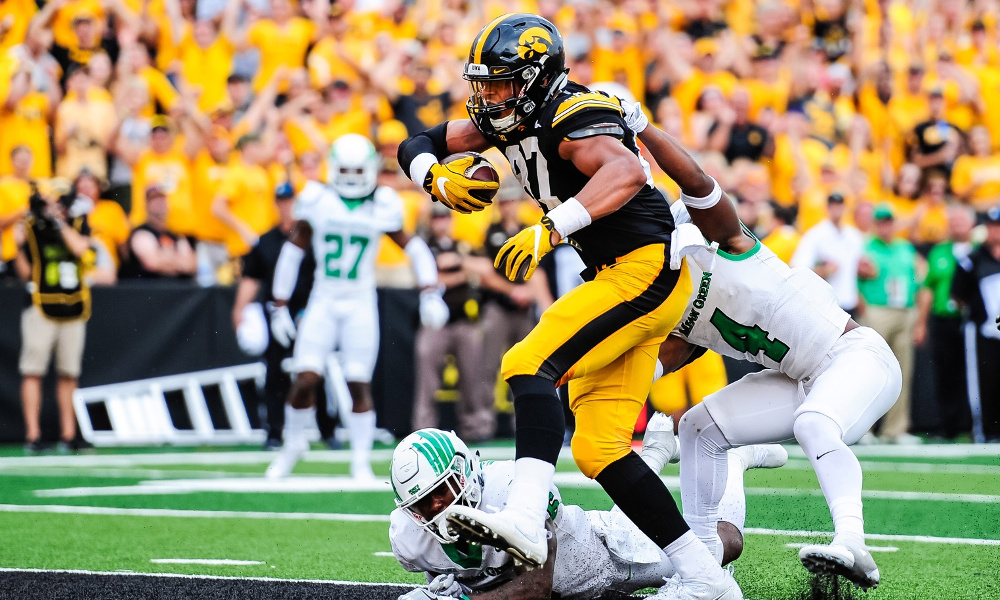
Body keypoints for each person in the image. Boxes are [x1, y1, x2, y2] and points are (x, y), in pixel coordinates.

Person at [397, 14, 740, 600]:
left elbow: (627, 171)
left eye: (501, 84)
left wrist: (550, 229)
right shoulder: (515, 115)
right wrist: (437, 180)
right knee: (598, 447)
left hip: (646, 266)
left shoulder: (573, 113)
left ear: (535, 79)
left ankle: (528, 518)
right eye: (484, 84)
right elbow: (419, 141)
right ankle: (707, 580)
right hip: (621, 272)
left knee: (528, 363)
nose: (487, 97)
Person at [622, 107, 900, 590]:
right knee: (698, 428)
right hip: (799, 377)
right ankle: (703, 556)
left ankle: (853, 541)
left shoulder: (730, 241)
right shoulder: (666, 295)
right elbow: (668, 356)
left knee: (813, 422)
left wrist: (643, 127)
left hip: (854, 356)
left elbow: (699, 182)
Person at [389, 418, 786, 600]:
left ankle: (734, 458)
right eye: (422, 504)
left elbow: (534, 588)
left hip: (608, 558)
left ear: (467, 471)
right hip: (573, 588)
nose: (436, 508)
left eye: (441, 492)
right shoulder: (408, 537)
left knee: (725, 544)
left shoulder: (513, 487)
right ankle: (658, 450)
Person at [265, 133, 446, 480]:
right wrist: (280, 304)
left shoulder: (383, 201)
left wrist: (429, 291)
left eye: (356, 170)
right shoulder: (317, 198)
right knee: (305, 377)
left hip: (360, 301)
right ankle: (292, 447)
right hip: (324, 298)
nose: (349, 177)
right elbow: (293, 251)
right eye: (344, 169)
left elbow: (414, 247)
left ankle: (359, 460)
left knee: (357, 381)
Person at [232, 181, 329, 449]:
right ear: (276, 204)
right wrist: (239, 308)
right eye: (282, 201)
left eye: (290, 200)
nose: (286, 206)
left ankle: (327, 429)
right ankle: (274, 431)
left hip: (310, 310)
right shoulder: (266, 241)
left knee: (314, 370)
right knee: (274, 373)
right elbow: (251, 276)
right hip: (277, 312)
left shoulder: (312, 237)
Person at [14, 178, 95, 453]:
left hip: (72, 304)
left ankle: (68, 434)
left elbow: (82, 249)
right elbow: (14, 244)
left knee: (69, 373)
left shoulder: (76, 223)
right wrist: (33, 212)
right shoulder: (31, 225)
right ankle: (33, 435)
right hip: (41, 304)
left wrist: (59, 222)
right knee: (33, 370)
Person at [412, 203, 494, 442]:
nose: (441, 223)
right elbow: (430, 280)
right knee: (428, 380)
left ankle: (476, 429)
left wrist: (459, 260)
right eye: (436, 219)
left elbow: (487, 268)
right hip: (434, 323)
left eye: (444, 218)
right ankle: (423, 430)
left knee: (472, 377)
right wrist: (463, 274)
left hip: (465, 321)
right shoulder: (424, 247)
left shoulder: (462, 246)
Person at [857, 204, 921, 444]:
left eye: (889, 221)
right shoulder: (864, 246)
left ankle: (895, 429)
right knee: (871, 370)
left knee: (902, 371)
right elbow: (851, 278)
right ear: (875, 224)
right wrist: (864, 306)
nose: (885, 225)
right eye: (881, 221)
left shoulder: (905, 247)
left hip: (904, 309)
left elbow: (919, 274)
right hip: (877, 309)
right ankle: (864, 429)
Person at [914, 205, 976, 440]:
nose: (956, 225)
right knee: (945, 373)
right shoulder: (939, 251)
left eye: (961, 220)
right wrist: (921, 323)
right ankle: (948, 427)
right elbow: (927, 288)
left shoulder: (980, 251)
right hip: (943, 320)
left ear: (971, 224)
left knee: (975, 373)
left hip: (971, 320)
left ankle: (972, 425)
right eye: (953, 221)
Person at [952, 206, 1000, 443]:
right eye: (992, 226)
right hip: (982, 329)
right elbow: (957, 294)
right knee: (985, 380)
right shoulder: (972, 259)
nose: (996, 231)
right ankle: (984, 431)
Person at [791, 192, 865, 316]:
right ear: (827, 208)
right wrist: (823, 270)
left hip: (850, 302)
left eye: (839, 205)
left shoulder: (854, 235)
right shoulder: (815, 235)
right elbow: (798, 267)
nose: (836, 209)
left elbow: (856, 268)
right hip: (826, 304)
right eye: (833, 205)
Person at [118, 185, 197, 280]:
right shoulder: (140, 232)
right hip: (148, 290)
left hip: (176, 290)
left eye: (162, 200)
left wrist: (164, 257)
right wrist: (177, 259)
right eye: (154, 201)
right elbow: (152, 263)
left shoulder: (176, 234)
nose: (159, 204)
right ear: (146, 204)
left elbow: (192, 265)